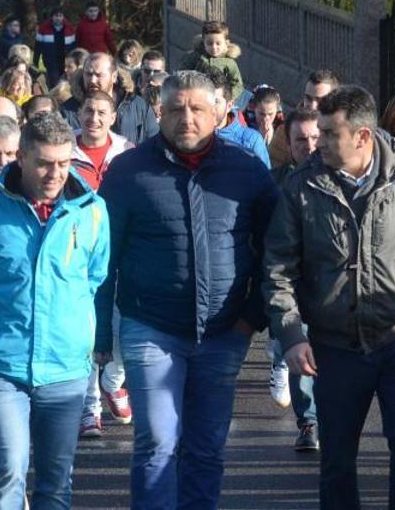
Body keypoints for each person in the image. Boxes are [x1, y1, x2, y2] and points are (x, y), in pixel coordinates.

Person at [264, 85, 395, 510]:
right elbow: (278, 267)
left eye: (331, 133)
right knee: (336, 458)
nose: (319, 142)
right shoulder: (302, 186)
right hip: (335, 344)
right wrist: (292, 334)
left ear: (363, 137)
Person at [96, 71, 276, 510]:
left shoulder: (246, 170)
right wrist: (101, 335)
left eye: (197, 108)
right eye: (176, 108)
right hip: (150, 327)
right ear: (160, 111)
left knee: (206, 447)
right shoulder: (128, 171)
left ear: (219, 111)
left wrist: (254, 316)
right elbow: (103, 259)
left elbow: (277, 250)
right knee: (157, 443)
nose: (187, 118)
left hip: (224, 332)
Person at [0, 112, 110, 510]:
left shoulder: (91, 211)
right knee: (8, 467)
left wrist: (72, 325)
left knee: (56, 479)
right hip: (2, 361)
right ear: (20, 157)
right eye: (43, 163)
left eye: (63, 163)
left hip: (66, 365)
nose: (54, 174)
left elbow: (95, 276)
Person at [70, 91, 135, 437]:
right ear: (78, 114)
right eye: (87, 110)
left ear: (112, 117)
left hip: (121, 249)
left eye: (100, 112)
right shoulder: (65, 153)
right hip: (78, 253)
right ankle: (89, 406)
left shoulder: (127, 152)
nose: (93, 118)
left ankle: (113, 380)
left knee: (124, 325)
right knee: (88, 328)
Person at [263, 106, 321, 450]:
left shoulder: (339, 176)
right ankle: (309, 422)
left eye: (316, 138)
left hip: (334, 287)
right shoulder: (274, 182)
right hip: (293, 285)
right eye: (301, 140)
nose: (310, 146)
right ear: (290, 142)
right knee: (301, 354)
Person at [60, 52, 159, 146]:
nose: (93, 80)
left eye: (99, 75)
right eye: (88, 74)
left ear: (114, 76)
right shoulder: (68, 111)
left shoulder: (138, 106)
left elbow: (154, 143)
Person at [209, 68, 270, 167]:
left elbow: (265, 180)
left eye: (216, 101)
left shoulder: (251, 141)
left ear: (229, 105)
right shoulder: (189, 134)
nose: (209, 107)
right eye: (205, 100)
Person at [179, 20, 244, 103]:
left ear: (226, 43)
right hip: (197, 96)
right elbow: (182, 72)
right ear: (203, 42)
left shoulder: (229, 63)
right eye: (209, 43)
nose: (214, 47)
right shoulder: (196, 57)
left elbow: (238, 84)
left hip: (219, 99)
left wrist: (228, 97)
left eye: (218, 43)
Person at [32, 7, 75, 87]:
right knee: (54, 82)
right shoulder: (44, 28)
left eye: (60, 16)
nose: (58, 18)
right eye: (56, 16)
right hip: (51, 60)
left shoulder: (69, 28)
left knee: (66, 81)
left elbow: (73, 46)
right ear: (52, 17)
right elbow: (38, 46)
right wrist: (35, 61)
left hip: (65, 59)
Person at [248, 85, 290, 168]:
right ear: (254, 109)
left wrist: (272, 141)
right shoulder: (244, 123)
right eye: (261, 114)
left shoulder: (282, 130)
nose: (266, 119)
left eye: (270, 114)